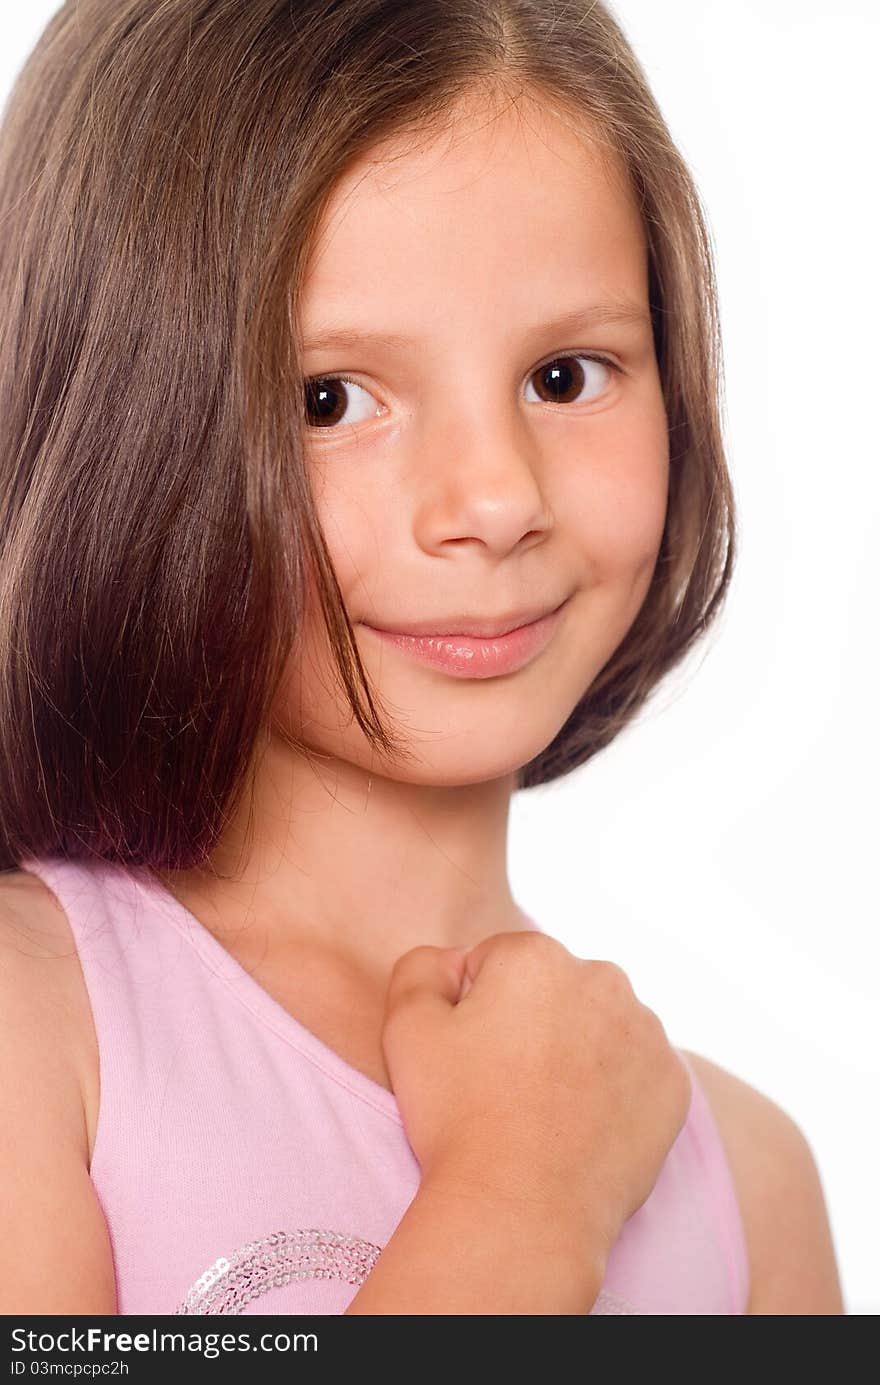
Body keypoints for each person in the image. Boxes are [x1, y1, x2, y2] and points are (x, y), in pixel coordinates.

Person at [0, 0, 843, 1315]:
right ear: (120, 422)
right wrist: (525, 1195)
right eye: (328, 398)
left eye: (567, 376)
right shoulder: (38, 1034)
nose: (496, 497)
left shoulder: (752, 1183)